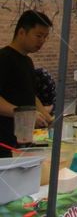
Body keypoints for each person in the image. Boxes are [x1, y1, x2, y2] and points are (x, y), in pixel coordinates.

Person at [0, 10, 53, 155]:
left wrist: (48, 117)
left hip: (24, 140)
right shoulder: (4, 58)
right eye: (38, 35)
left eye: (45, 37)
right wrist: (25, 115)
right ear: (22, 32)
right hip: (4, 142)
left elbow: (30, 95)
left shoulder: (28, 61)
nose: (42, 41)